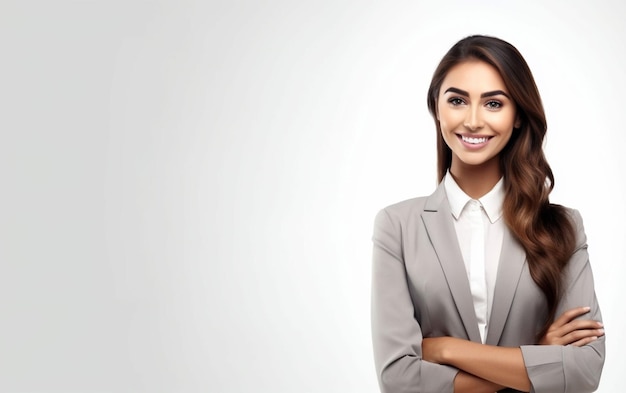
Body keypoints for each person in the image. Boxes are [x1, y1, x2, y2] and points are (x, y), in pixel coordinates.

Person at [370, 35, 605, 393]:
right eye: (457, 101)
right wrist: (537, 357)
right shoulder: (397, 227)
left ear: (517, 118)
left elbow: (584, 372)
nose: (474, 120)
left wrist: (444, 349)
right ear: (437, 108)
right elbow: (398, 379)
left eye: (494, 103)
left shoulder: (563, 227)